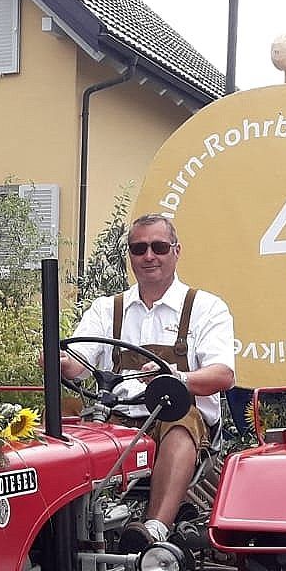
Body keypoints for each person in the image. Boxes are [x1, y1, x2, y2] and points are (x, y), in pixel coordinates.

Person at [60, 213, 235, 548]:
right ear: (130, 255)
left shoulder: (206, 308)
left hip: (179, 416)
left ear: (176, 251)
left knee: (178, 421)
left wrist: (176, 378)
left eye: (158, 246)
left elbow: (222, 374)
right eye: (139, 248)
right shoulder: (107, 309)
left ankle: (153, 531)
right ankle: (77, 533)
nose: (149, 256)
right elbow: (79, 363)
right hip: (120, 419)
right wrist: (60, 362)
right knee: (76, 436)